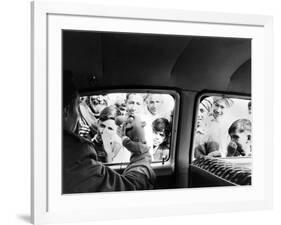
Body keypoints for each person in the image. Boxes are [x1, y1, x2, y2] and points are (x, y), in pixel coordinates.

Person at [63, 71, 155, 193]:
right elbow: (131, 190)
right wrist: (140, 152)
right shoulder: (75, 155)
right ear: (66, 111)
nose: (78, 116)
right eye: (77, 107)